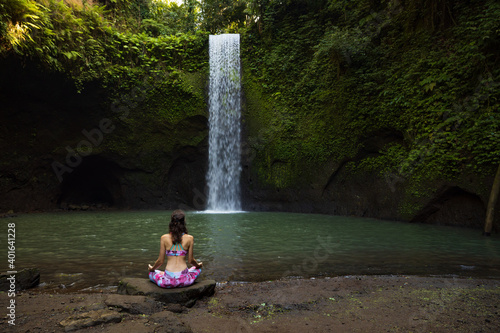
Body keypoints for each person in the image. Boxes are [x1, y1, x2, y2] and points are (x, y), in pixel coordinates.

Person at [148, 209, 203, 288]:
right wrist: (198, 265)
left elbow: (160, 261)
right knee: (197, 269)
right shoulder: (190, 238)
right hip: (184, 280)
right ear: (184, 223)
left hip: (168, 281)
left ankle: (161, 274)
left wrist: (152, 268)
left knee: (153, 272)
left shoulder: (164, 238)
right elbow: (191, 260)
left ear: (171, 223)